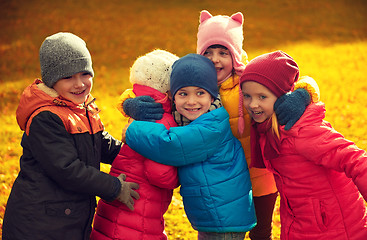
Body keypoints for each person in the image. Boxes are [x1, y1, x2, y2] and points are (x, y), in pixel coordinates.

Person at [121, 10, 318, 240]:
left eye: (223, 52)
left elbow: (296, 79)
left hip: (258, 173)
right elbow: (157, 89)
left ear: (234, 54)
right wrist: (128, 103)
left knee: (260, 231)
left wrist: (304, 94)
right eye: (208, 52)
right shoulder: (194, 85)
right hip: (220, 180)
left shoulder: (248, 80)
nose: (215, 59)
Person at [2, 32, 140, 240]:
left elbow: (100, 143)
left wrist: (134, 152)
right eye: (68, 77)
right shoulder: (45, 117)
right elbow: (67, 169)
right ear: (51, 81)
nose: (79, 84)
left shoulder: (79, 107)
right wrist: (114, 187)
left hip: (66, 217)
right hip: (40, 223)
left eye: (85, 74)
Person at [123, 54, 257, 240]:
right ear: (173, 97)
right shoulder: (194, 120)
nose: (191, 101)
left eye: (200, 93)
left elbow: (170, 144)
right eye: (183, 94)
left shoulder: (211, 127)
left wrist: (132, 130)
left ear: (212, 96)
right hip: (216, 216)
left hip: (224, 220)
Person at [240, 50, 367, 240]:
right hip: (299, 224)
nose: (253, 104)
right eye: (247, 96)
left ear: (283, 96)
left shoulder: (303, 131)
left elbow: (356, 160)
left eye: (262, 97)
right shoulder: (267, 129)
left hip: (336, 228)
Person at [90, 49, 180, 240]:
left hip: (114, 207)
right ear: (169, 90)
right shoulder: (164, 121)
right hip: (138, 207)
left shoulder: (140, 110)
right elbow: (159, 172)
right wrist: (180, 174)